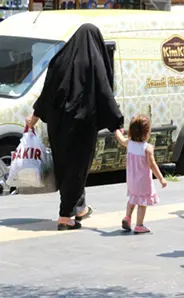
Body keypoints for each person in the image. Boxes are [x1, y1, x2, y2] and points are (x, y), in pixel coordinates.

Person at [25, 23, 124, 231]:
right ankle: (65, 215)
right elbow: (104, 92)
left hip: (57, 125)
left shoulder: (60, 59)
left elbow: (47, 91)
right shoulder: (93, 61)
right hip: (81, 125)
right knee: (77, 169)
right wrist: (117, 124)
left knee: (65, 166)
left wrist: (34, 118)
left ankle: (79, 209)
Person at [114, 115, 167, 234]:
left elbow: (120, 139)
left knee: (133, 198)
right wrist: (161, 179)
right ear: (147, 132)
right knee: (142, 202)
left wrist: (117, 130)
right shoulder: (147, 148)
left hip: (131, 180)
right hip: (143, 181)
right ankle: (139, 224)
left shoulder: (129, 143)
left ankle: (127, 217)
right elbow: (152, 165)